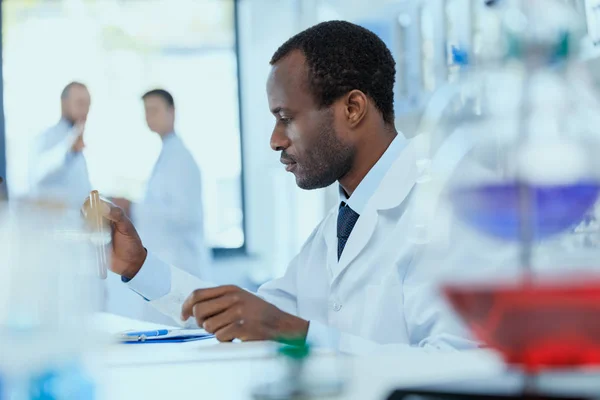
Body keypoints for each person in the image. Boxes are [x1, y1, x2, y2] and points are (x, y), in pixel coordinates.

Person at [84, 21, 482, 353]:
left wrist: (290, 330)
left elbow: (459, 372)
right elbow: (245, 316)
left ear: (353, 108)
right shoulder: (341, 223)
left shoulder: (452, 209)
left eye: (286, 117)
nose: (275, 139)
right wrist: (140, 267)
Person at [110, 89, 210, 324]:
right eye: (146, 111)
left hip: (180, 262)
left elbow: (185, 215)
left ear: (172, 112)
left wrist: (133, 208)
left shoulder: (181, 159)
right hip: (164, 265)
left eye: (154, 110)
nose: (149, 117)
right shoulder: (166, 154)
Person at [29, 82, 91, 206]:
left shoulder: (79, 140)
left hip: (80, 221)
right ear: (64, 103)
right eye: (80, 103)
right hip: (56, 222)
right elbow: (38, 175)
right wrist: (69, 150)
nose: (85, 109)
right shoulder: (47, 137)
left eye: (88, 104)